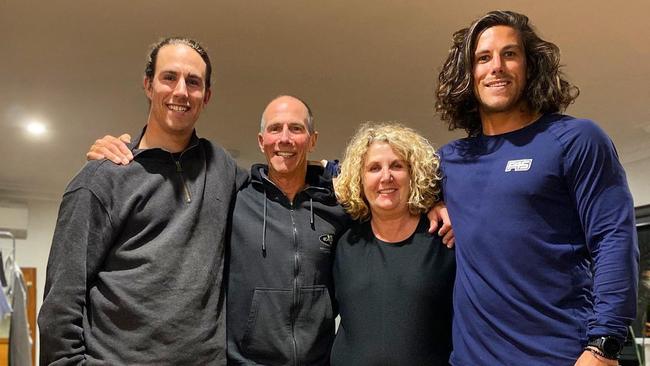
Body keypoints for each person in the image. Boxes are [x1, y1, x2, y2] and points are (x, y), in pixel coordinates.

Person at [435, 10, 638, 365]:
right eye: (482, 58)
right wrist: (431, 202)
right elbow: (371, 178)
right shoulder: (450, 160)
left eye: (509, 54)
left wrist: (604, 345)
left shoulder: (576, 139)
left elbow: (613, 239)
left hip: (562, 356)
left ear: (531, 66)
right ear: (468, 74)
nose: (496, 66)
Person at [38, 37, 240, 365]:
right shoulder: (102, 179)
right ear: (148, 85)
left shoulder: (223, 168)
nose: (181, 92)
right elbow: (60, 306)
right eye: (169, 77)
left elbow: (277, 185)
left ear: (207, 96)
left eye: (193, 82)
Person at [226, 95, 351, 365]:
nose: (285, 138)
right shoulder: (235, 199)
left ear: (313, 140)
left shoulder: (337, 205)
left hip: (319, 361)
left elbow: (381, 183)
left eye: (296, 128)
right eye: (275, 128)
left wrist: (438, 203)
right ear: (261, 141)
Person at [331, 123, 455, 365]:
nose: (385, 177)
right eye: (374, 168)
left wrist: (440, 204)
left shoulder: (443, 238)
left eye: (397, 166)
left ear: (413, 175)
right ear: (360, 179)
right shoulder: (344, 242)